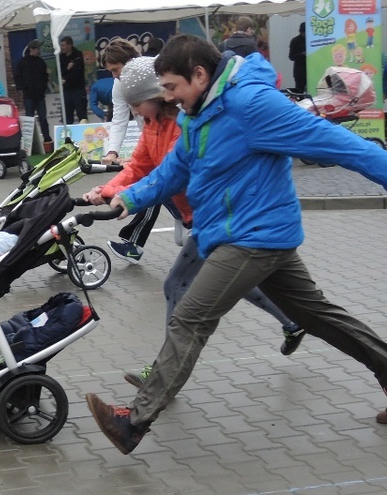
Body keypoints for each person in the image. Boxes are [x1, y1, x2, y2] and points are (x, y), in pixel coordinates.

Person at [85, 34, 387, 455]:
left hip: (253, 236)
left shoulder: (251, 105)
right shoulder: (197, 112)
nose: (167, 98)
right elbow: (173, 169)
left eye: (171, 87)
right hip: (243, 233)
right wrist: (127, 198)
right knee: (316, 315)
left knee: (190, 317)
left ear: (199, 74)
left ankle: (133, 422)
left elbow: (329, 139)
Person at [82, 56, 304, 387]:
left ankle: (162, 373)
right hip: (200, 218)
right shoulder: (153, 125)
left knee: (177, 286)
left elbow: (168, 176)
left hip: (215, 218)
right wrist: (108, 189)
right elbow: (140, 167)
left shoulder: (181, 123)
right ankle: (292, 321)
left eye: (138, 104)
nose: (136, 112)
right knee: (234, 283)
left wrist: (125, 197)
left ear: (155, 95)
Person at [99, 38, 159, 265]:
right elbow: (119, 119)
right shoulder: (118, 85)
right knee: (154, 186)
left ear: (130, 61)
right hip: (150, 141)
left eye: (116, 69)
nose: (115, 76)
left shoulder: (154, 69)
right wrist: (112, 151)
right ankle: (133, 244)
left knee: (158, 186)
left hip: (169, 138)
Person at [14, 39, 51, 142]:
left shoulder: (41, 62)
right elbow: (17, 77)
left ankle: (47, 138)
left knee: (43, 118)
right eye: (37, 48)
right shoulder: (22, 62)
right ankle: (29, 141)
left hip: (40, 95)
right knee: (29, 119)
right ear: (32, 49)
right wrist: (22, 88)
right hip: (29, 95)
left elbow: (45, 76)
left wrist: (43, 86)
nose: (39, 50)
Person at [59, 36, 87, 124]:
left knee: (81, 114)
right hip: (67, 90)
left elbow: (78, 72)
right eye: (61, 45)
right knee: (67, 115)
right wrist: (68, 68)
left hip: (78, 89)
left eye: (63, 45)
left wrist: (66, 79)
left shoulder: (77, 54)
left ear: (69, 45)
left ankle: (85, 134)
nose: (62, 47)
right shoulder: (61, 57)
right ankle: (68, 136)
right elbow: (61, 72)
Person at [288, 22, 307, 93]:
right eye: (304, 33)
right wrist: (302, 54)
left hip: (311, 71)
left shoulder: (311, 40)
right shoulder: (295, 41)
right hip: (300, 72)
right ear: (301, 32)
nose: (305, 35)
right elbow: (291, 57)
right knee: (299, 92)